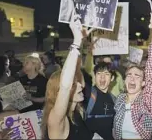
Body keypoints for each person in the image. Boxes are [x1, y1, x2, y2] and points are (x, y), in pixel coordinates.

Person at [113, 9, 152, 139]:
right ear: (124, 80)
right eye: (129, 75)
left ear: (143, 82)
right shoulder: (119, 100)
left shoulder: (148, 99)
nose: (132, 79)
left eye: (137, 76)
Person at [41, 11, 93, 140]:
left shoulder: (75, 113)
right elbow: (66, 85)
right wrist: (76, 42)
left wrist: (82, 43)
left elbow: (78, 70)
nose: (81, 86)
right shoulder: (56, 119)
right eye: (74, 84)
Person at [83, 61, 116, 140]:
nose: (102, 77)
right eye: (99, 73)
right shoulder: (88, 93)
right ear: (94, 76)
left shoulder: (114, 99)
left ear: (112, 78)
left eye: (106, 74)